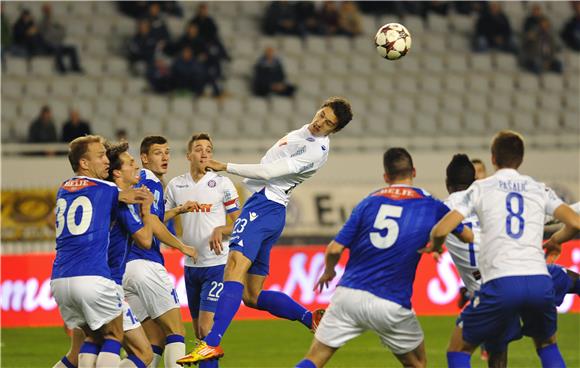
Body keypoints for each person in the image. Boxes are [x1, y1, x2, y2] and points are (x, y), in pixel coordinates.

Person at [177, 97, 353, 365]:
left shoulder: (316, 150)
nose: (320, 123)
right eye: (321, 115)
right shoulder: (305, 133)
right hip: (271, 209)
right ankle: (310, 318)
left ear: (334, 130)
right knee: (252, 295)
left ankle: (211, 344)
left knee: (233, 267)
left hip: (265, 205)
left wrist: (225, 166)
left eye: (328, 123)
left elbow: (270, 172)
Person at [294, 148, 472, 368]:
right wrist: (437, 243)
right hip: (391, 302)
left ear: (386, 177)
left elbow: (333, 249)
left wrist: (329, 271)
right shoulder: (431, 204)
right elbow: (465, 235)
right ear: (414, 171)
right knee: (417, 363)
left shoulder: (368, 202)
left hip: (349, 295)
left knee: (315, 358)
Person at [425, 130, 580, 368]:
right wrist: (557, 240)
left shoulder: (478, 192)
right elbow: (575, 221)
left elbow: (440, 230)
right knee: (548, 342)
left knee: (461, 350)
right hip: (538, 278)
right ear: (521, 158)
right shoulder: (536, 188)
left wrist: (435, 246)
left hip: (496, 284)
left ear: (493, 158)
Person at [50, 135, 148, 368]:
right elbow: (130, 196)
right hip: (93, 277)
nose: (107, 161)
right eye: (101, 156)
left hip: (60, 280)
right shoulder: (106, 188)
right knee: (115, 336)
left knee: (92, 339)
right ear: (84, 163)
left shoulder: (63, 188)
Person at [165, 133, 241, 368]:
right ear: (189, 155)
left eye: (209, 148)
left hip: (216, 264)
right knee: (199, 334)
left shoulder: (222, 183)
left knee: (207, 330)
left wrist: (221, 229)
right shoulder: (176, 185)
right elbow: (159, 219)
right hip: (191, 266)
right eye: (198, 149)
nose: (205, 152)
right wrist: (179, 210)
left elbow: (239, 224)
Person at [123, 135, 197, 368]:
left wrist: (176, 211)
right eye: (157, 153)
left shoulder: (137, 181)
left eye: (167, 152)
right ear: (144, 158)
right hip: (146, 264)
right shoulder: (150, 181)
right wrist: (181, 245)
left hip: (126, 269)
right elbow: (152, 221)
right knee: (175, 332)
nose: (164, 157)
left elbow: (146, 219)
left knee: (152, 342)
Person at [39, 3, 82, 73]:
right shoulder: (43, 22)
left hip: (57, 44)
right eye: (47, 10)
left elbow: (62, 32)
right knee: (57, 48)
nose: (49, 12)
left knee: (72, 48)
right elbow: (43, 33)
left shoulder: (54, 23)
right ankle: (61, 68)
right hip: (47, 46)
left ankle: (75, 67)